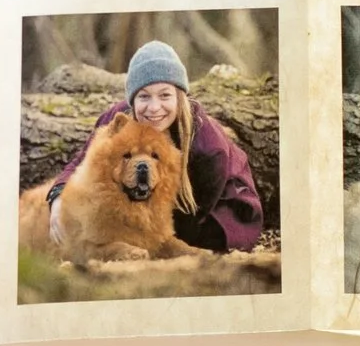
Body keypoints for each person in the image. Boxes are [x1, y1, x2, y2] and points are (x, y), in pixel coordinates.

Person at [46, 40, 265, 252]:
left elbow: (199, 210)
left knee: (167, 240)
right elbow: (82, 159)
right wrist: (58, 197)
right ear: (132, 100)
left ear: (179, 97)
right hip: (155, 203)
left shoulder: (208, 147)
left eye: (164, 95)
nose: (154, 107)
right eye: (144, 96)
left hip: (216, 213)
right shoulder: (118, 119)